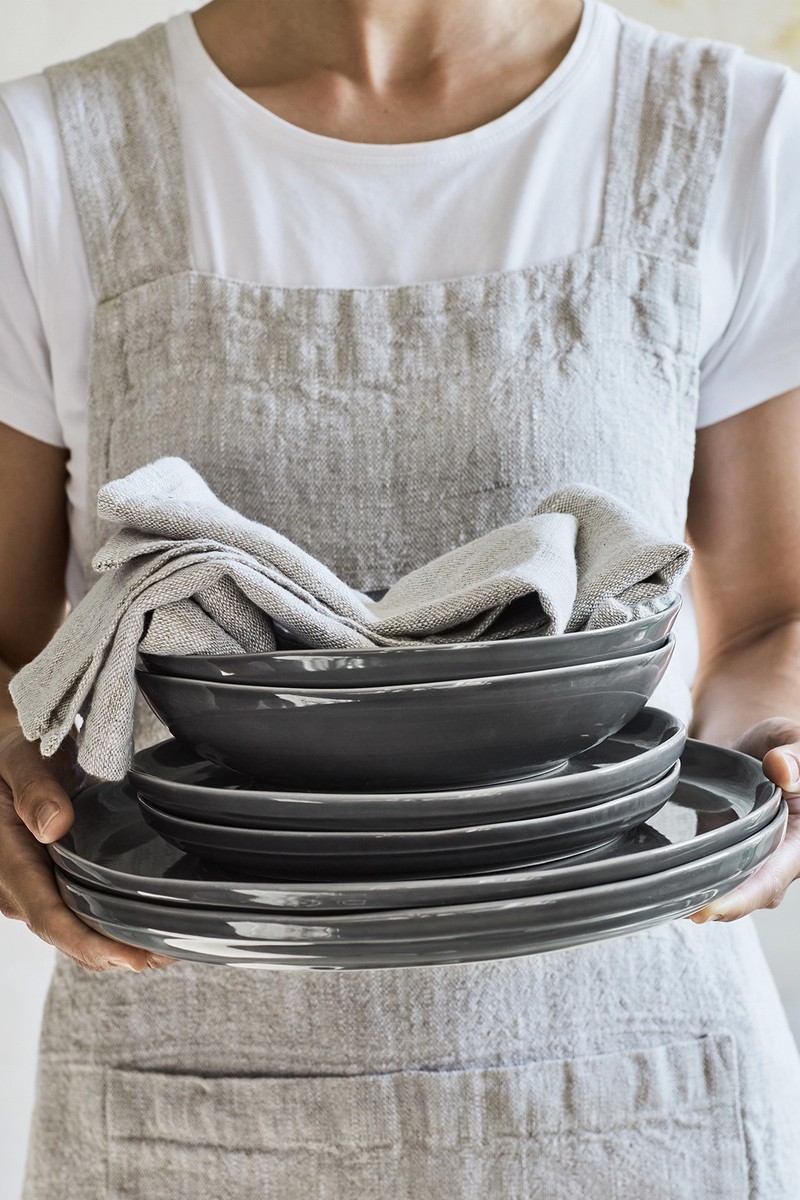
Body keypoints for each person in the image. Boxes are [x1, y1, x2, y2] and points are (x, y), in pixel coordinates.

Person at [1, 0, 799, 1195]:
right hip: (186, 1083)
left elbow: (771, 617)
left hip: (630, 1072)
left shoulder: (733, 133)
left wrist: (774, 750)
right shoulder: (48, 156)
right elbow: (12, 649)